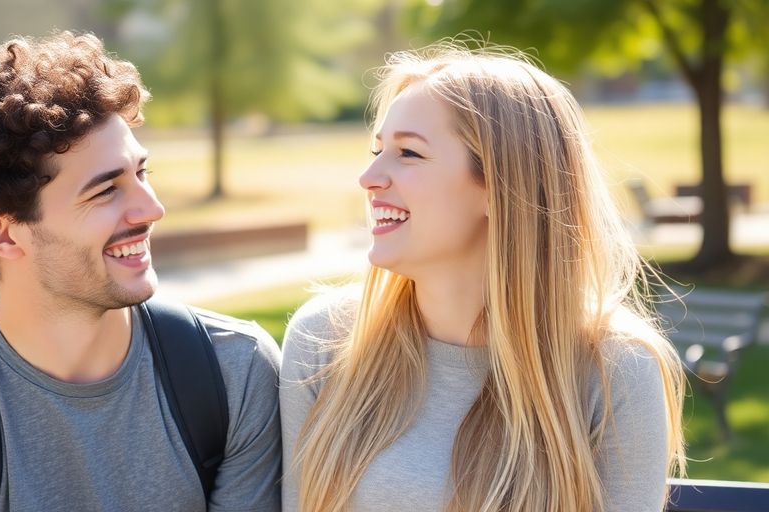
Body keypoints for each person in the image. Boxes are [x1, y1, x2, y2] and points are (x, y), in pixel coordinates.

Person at [0, 32, 281, 512]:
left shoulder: (233, 370)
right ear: (1, 233)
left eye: (141, 173)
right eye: (105, 191)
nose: (152, 209)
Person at [280, 44, 686, 512]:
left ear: (502, 187)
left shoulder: (616, 371)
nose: (369, 177)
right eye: (377, 150)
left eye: (408, 153)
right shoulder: (323, 341)